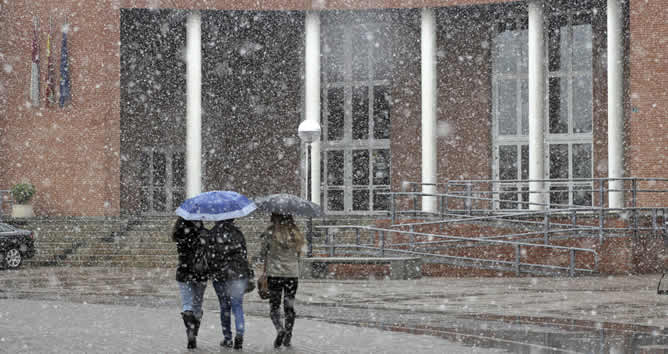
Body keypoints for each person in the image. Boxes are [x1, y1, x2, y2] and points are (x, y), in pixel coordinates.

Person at [258, 213, 305, 348]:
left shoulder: (270, 233)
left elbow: (262, 254)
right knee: (289, 307)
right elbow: (299, 254)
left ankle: (280, 329)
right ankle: (288, 335)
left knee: (274, 306)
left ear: (274, 219)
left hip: (275, 274)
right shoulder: (296, 233)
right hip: (292, 275)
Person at [207, 218, 251, 350]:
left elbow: (209, 256)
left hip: (220, 275)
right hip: (238, 274)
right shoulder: (238, 233)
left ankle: (227, 338)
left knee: (224, 307)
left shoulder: (212, 234)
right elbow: (244, 254)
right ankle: (240, 333)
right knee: (237, 305)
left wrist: (213, 268)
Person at [171, 217, 208, 349]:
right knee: (197, 304)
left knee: (187, 304)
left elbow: (182, 252)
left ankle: (189, 330)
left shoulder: (179, 234)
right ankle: (194, 331)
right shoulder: (203, 233)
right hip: (200, 273)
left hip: (184, 272)